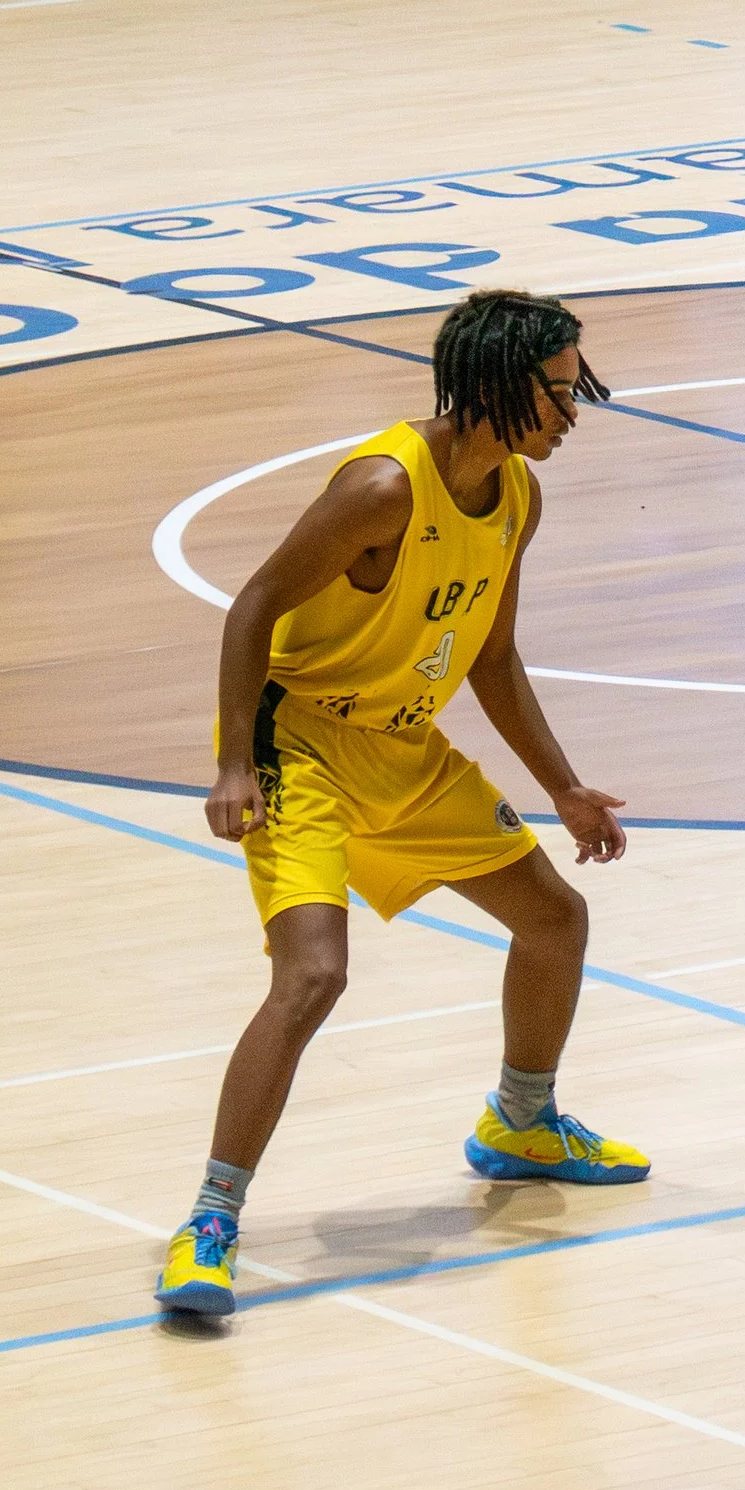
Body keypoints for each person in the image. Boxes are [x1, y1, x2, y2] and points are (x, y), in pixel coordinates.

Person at [155, 289, 649, 1324]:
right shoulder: (382, 487)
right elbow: (253, 608)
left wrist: (561, 787)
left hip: (401, 747)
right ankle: (210, 1220)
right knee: (313, 976)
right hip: (298, 745)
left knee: (555, 921)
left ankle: (521, 1122)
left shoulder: (516, 497)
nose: (573, 413)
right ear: (499, 384)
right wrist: (235, 763)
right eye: (559, 392)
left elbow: (494, 657)